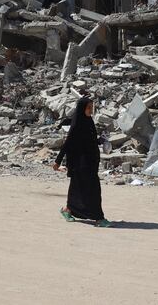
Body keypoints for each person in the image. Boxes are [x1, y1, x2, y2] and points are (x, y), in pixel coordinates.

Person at [53, 96, 111, 227]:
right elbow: (68, 143)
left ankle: (68, 210)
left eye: (92, 107)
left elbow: (90, 140)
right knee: (93, 189)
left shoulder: (88, 121)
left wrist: (101, 140)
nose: (91, 110)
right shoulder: (77, 123)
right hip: (80, 163)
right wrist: (58, 161)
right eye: (89, 107)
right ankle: (99, 218)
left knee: (78, 189)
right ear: (82, 108)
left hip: (90, 162)